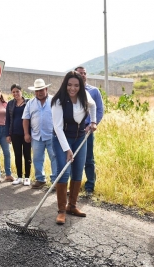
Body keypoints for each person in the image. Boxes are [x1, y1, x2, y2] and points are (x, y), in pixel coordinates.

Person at [51, 71, 97, 225]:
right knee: (63, 172)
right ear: (65, 84)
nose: (73, 88)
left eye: (76, 85)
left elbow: (93, 105)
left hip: (80, 138)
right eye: (70, 85)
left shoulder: (84, 95)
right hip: (61, 139)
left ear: (80, 85)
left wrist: (93, 122)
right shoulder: (58, 101)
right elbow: (57, 128)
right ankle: (62, 210)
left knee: (78, 171)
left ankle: (72, 206)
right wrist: (67, 150)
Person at [22, 79, 57, 189]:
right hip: (36, 136)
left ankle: (55, 181)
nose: (39, 93)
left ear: (46, 89)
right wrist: (26, 134)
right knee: (37, 158)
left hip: (52, 135)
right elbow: (26, 119)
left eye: (41, 90)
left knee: (55, 157)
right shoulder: (30, 103)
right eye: (37, 91)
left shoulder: (54, 101)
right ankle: (40, 179)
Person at [75, 66, 104, 196]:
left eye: (84, 73)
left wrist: (93, 124)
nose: (82, 75)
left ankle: (89, 186)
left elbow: (99, 111)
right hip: (72, 130)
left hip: (87, 130)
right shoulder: (71, 90)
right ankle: (74, 185)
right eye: (79, 73)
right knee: (73, 158)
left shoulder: (94, 91)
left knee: (88, 159)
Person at [5, 84, 31, 185]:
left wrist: (29, 133)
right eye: (13, 92)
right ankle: (19, 177)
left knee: (27, 155)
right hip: (15, 133)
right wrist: (8, 134)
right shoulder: (10, 104)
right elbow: (7, 120)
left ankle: (27, 177)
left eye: (17, 91)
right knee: (18, 155)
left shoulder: (28, 102)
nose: (16, 93)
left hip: (26, 133)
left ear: (21, 91)